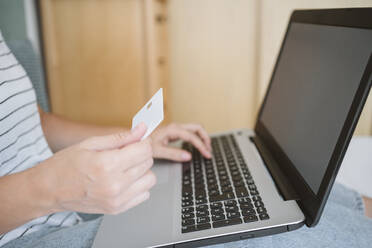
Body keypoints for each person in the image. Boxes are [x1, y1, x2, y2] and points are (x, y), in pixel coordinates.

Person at [0, 31, 371, 248]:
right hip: (28, 230)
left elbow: (34, 121)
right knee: (270, 233)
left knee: (292, 187)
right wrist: (47, 188)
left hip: (61, 200)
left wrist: (135, 141)